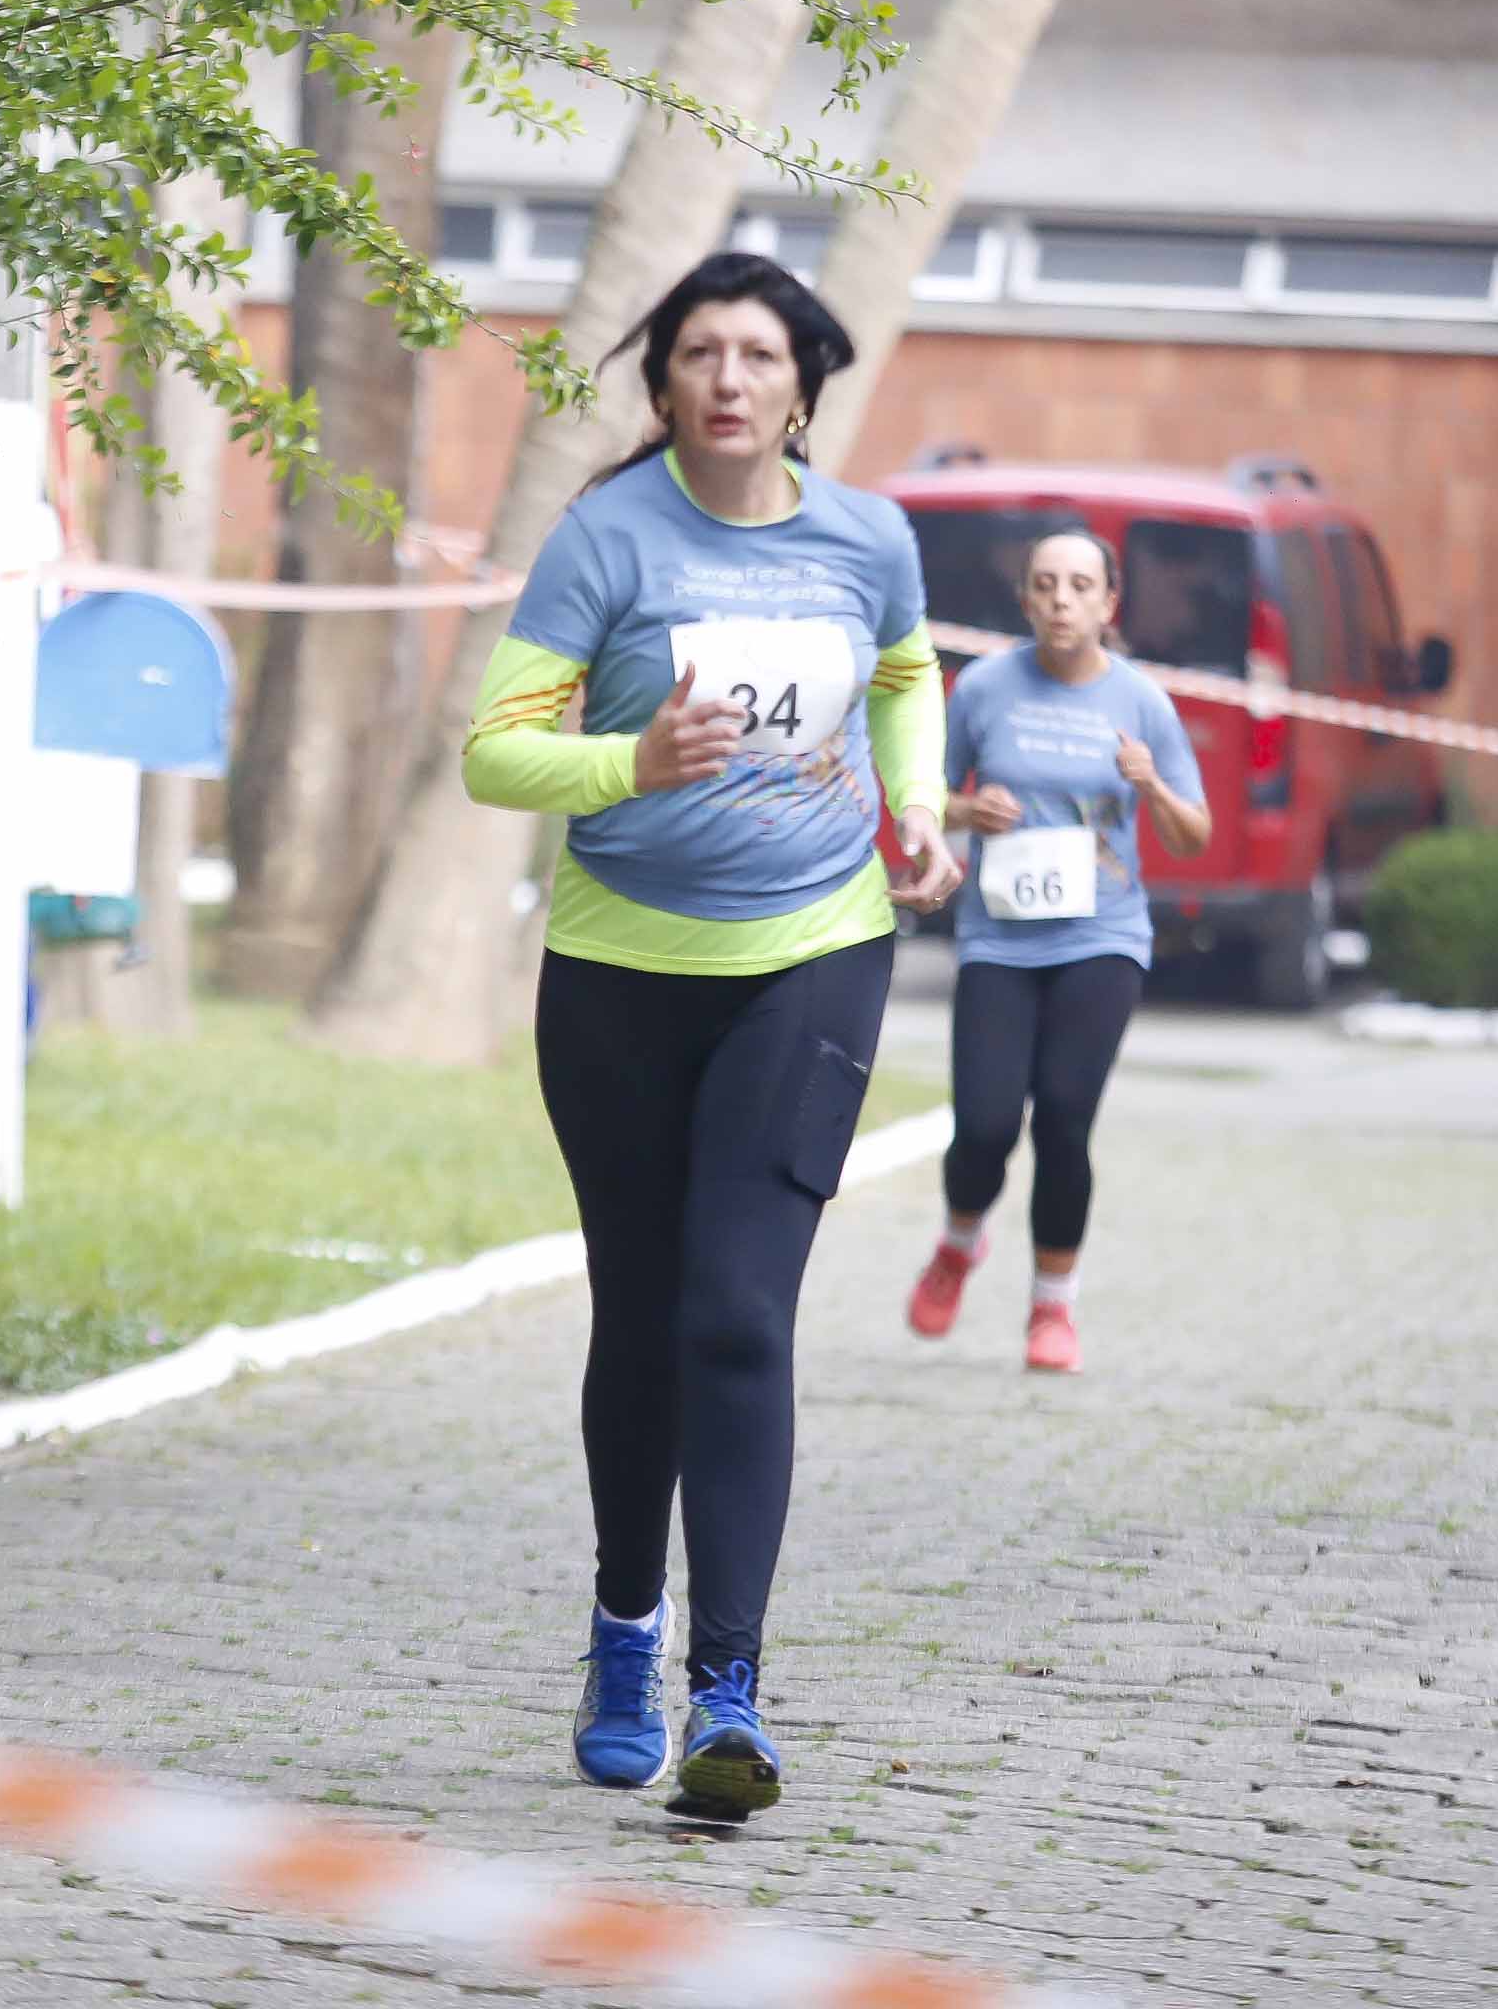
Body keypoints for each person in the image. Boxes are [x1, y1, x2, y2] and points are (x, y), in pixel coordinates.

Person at [460, 250, 961, 1822]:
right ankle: (626, 1627)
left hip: (812, 957)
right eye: (699, 354)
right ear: (664, 383)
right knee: (642, 1316)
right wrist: (632, 762)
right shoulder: (609, 536)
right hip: (619, 971)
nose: (729, 379)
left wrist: (917, 807)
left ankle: (727, 1694)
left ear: (804, 385)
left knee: (738, 1315)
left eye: (758, 355)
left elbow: (906, 678)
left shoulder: (868, 538)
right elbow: (495, 753)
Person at [906, 527, 1208, 1374]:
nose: (1061, 600)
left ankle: (1052, 1306)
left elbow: (1193, 835)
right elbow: (926, 795)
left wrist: (1151, 785)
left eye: (1079, 586)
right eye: (1045, 584)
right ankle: (959, 1242)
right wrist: (968, 813)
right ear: (1026, 599)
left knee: (1066, 1122)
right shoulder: (984, 688)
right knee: (985, 1127)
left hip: (1101, 938)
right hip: (999, 942)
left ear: (1109, 604)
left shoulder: (1141, 702)